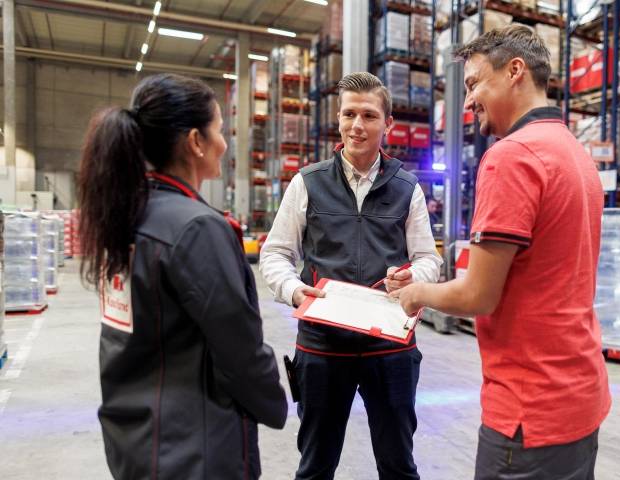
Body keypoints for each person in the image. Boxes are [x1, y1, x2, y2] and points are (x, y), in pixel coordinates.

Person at [391, 26, 611, 479]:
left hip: (527, 411)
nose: (469, 100)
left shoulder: (512, 157)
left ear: (515, 72)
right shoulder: (574, 152)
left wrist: (416, 292)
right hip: (579, 396)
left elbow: (478, 296)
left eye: (474, 83)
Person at [78, 73, 287, 479]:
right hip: (193, 448)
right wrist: (275, 403)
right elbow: (239, 348)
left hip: (134, 437)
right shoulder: (197, 228)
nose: (224, 144)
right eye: (220, 131)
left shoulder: (124, 215)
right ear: (196, 141)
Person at [260, 72, 442, 480]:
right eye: (348, 114)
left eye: (369, 115)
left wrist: (413, 278)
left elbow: (429, 258)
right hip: (323, 346)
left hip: (389, 346)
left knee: (398, 465)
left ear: (388, 124)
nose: (357, 125)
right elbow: (274, 253)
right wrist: (294, 291)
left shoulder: (407, 187)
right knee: (315, 465)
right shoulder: (307, 183)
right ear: (338, 119)